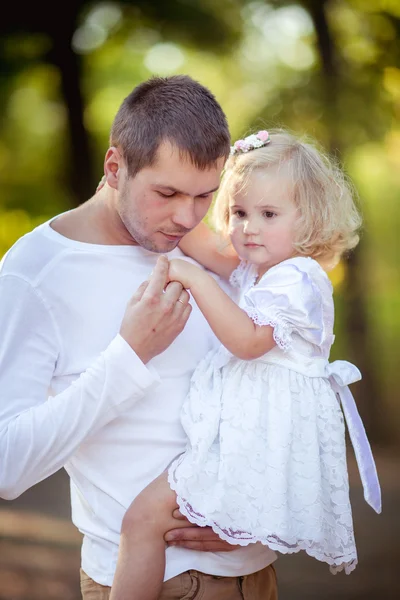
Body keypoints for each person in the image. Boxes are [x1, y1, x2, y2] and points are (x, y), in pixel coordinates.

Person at [0, 78, 279, 600]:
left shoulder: (215, 250)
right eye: (167, 193)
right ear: (114, 168)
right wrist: (130, 355)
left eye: (204, 196)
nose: (185, 216)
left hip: (257, 573)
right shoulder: (35, 274)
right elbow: (6, 466)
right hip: (155, 582)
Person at [108, 129, 382, 600]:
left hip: (253, 447)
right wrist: (127, 190)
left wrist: (192, 278)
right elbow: (207, 247)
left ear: (310, 219)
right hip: (242, 438)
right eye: (238, 212)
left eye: (268, 214)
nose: (248, 227)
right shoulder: (262, 268)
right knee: (145, 521)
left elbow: (248, 341)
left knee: (141, 520)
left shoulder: (298, 277)